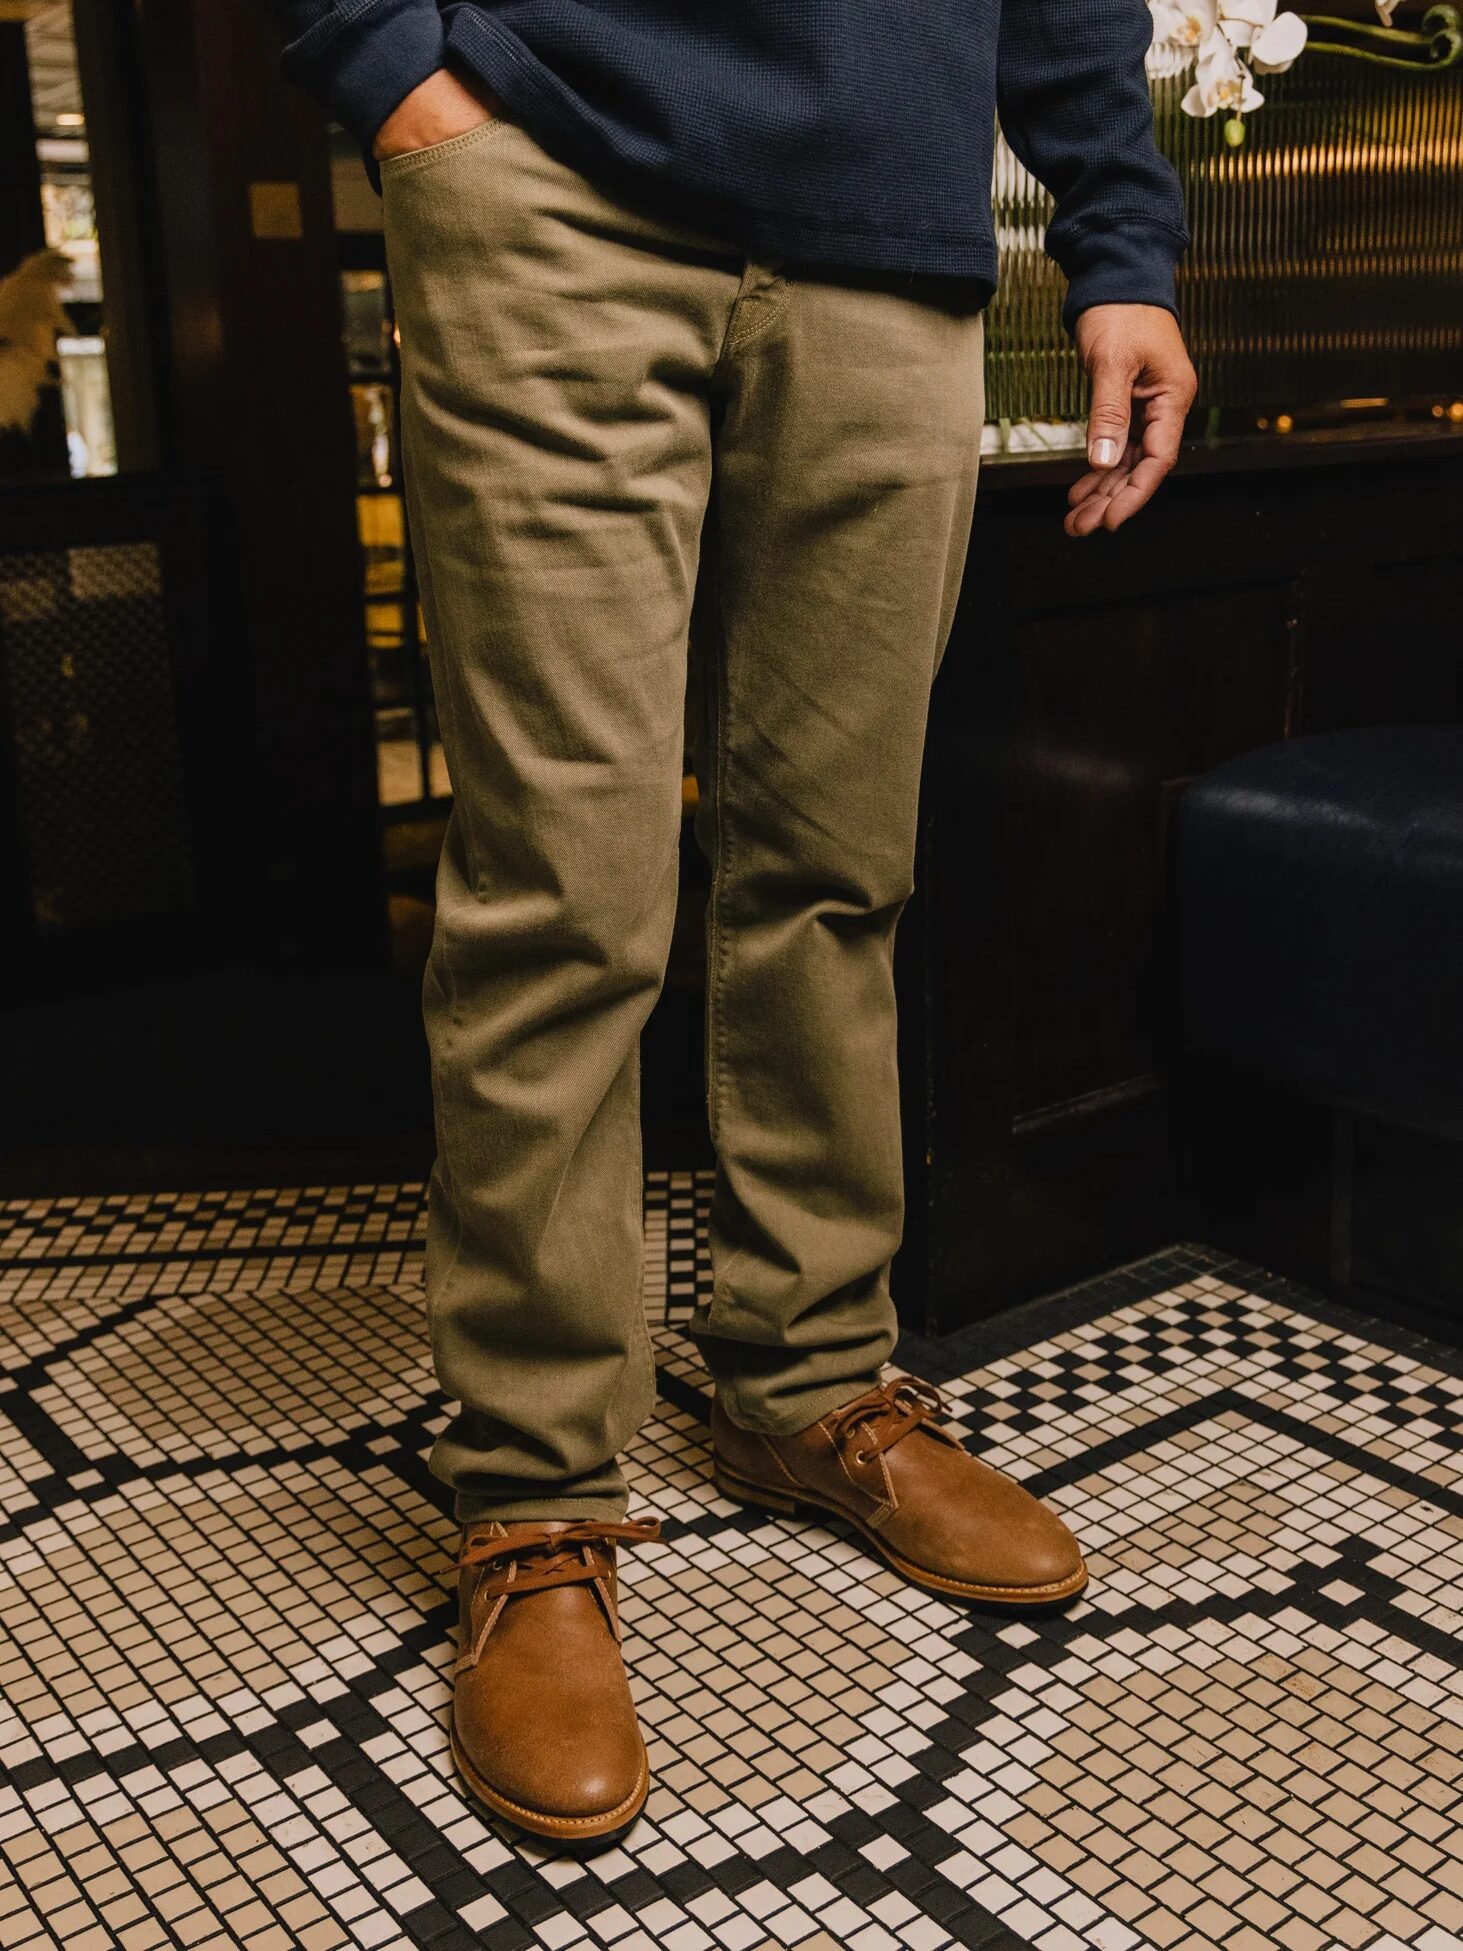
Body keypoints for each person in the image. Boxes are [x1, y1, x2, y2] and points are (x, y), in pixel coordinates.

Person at [263, 0, 1198, 1848]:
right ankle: (534, 1491)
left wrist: (1120, 233)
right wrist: (393, 71)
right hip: (550, 184)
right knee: (564, 890)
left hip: (891, 242)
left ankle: (808, 1377)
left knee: (837, 871)